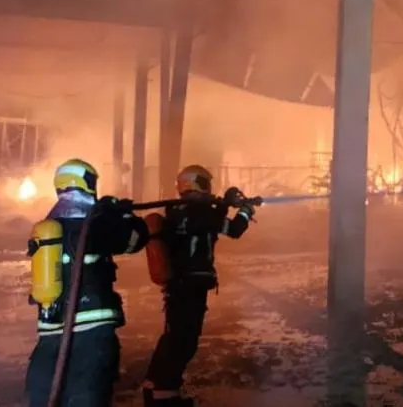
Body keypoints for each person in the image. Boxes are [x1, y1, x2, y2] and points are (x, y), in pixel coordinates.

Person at [25, 158, 148, 407]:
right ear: (88, 182)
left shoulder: (47, 226)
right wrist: (123, 214)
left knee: (45, 393)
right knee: (87, 396)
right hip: (92, 330)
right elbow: (137, 239)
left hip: (51, 331)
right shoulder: (94, 223)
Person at [142, 164, 257, 407]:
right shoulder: (200, 212)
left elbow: (204, 224)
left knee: (172, 335)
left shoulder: (178, 210)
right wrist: (245, 211)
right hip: (192, 283)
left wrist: (224, 204)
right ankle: (165, 395)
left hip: (178, 283)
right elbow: (233, 229)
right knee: (185, 340)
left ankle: (153, 385)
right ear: (197, 183)